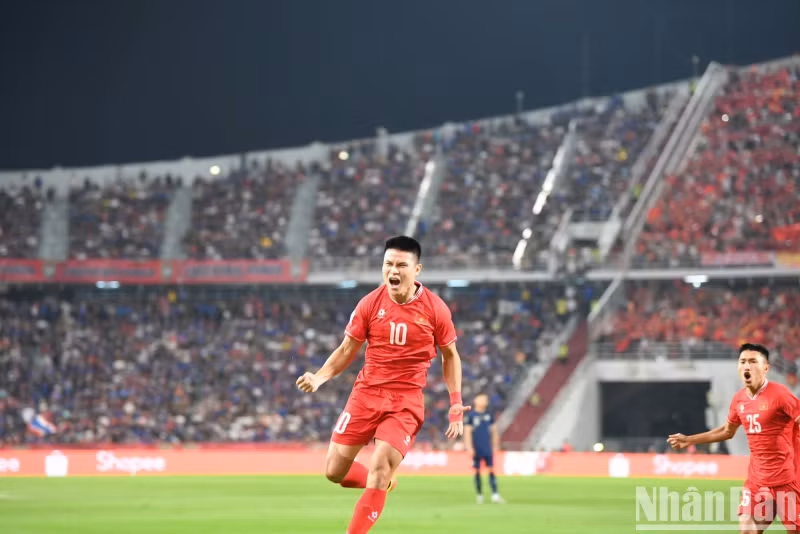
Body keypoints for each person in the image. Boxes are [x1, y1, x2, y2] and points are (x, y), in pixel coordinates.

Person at [296, 235, 470, 534]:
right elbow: (347, 349)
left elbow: (450, 356)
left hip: (404, 401)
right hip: (365, 395)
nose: (394, 270)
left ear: (417, 270)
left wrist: (455, 402)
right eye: (388, 263)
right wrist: (319, 376)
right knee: (333, 471)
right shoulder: (369, 304)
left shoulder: (436, 309)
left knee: (378, 468)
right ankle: (386, 483)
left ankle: (374, 494)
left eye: (402, 264)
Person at [667, 343, 800, 534]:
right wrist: (690, 440)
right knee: (747, 529)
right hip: (757, 481)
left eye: (753, 361)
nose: (747, 366)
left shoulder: (780, 394)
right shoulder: (739, 399)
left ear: (765, 368)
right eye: (743, 361)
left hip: (787, 481)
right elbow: (727, 431)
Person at [464, 393, 504, 504]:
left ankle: (495, 495)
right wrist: (469, 447)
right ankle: (479, 495)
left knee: (491, 470)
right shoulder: (471, 416)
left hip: (487, 448)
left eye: (485, 399)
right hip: (476, 448)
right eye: (481, 398)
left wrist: (495, 445)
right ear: (476, 400)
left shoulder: (489, 415)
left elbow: (494, 431)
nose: (484, 401)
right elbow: (467, 433)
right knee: (477, 471)